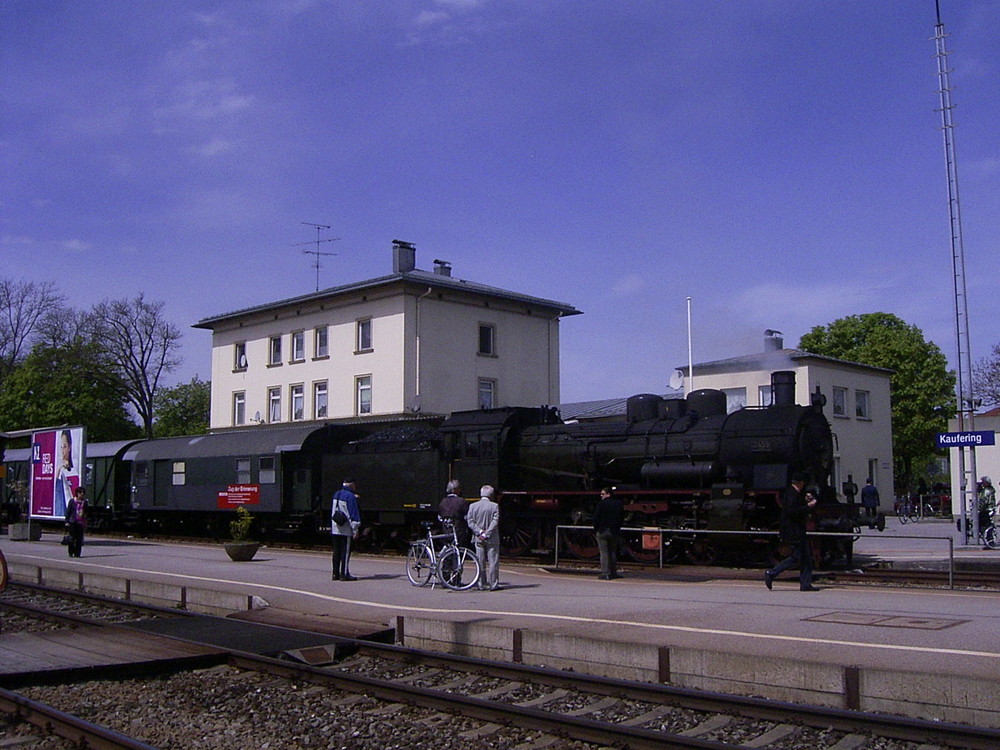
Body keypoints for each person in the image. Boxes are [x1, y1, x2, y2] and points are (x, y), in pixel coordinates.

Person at [764, 473, 819, 592]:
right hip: (794, 531)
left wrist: (806, 502)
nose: (804, 485)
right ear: (799, 483)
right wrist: (808, 506)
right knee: (796, 557)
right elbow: (792, 512)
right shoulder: (791, 494)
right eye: (803, 483)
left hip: (798, 530)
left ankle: (805, 584)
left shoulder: (795, 494)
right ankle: (772, 573)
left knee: (806, 558)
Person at [466, 485, 501, 590]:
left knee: (480, 562)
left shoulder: (473, 506)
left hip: (478, 538)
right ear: (491, 495)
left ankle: (481, 584)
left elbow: (470, 521)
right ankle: (493, 584)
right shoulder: (494, 506)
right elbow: (495, 522)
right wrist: (487, 533)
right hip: (492, 538)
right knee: (493, 562)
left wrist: (479, 532)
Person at [331, 478, 361, 581]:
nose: (355, 487)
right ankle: (344, 574)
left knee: (336, 551)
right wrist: (355, 529)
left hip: (336, 528)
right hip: (346, 529)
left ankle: (335, 574)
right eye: (354, 484)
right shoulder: (350, 496)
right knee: (345, 552)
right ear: (351, 485)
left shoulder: (337, 494)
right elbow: (352, 513)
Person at [592, 487, 624, 580]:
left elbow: (596, 518)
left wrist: (596, 529)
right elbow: (621, 517)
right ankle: (613, 572)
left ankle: (605, 573)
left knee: (604, 553)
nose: (601, 496)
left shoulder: (601, 504)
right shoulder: (618, 504)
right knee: (613, 552)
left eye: (602, 494)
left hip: (602, 531)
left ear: (608, 494)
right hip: (614, 531)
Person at [438, 479, 471, 548]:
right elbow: (467, 517)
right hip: (459, 531)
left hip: (446, 530)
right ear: (455, 490)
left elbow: (439, 517)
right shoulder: (462, 502)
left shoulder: (443, 502)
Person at [54, 429, 77, 518]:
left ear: (69, 447)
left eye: (64, 446)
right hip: (61, 508)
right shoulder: (59, 468)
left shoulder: (73, 470)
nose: (62, 450)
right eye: (61, 447)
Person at [65, 486, 87, 558]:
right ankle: (71, 552)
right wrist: (67, 521)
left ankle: (77, 554)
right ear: (77, 493)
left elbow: (87, 512)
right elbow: (68, 512)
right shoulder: (72, 501)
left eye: (83, 493)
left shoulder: (85, 502)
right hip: (73, 521)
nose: (82, 494)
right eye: (81, 492)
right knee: (71, 538)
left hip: (81, 522)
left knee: (79, 539)